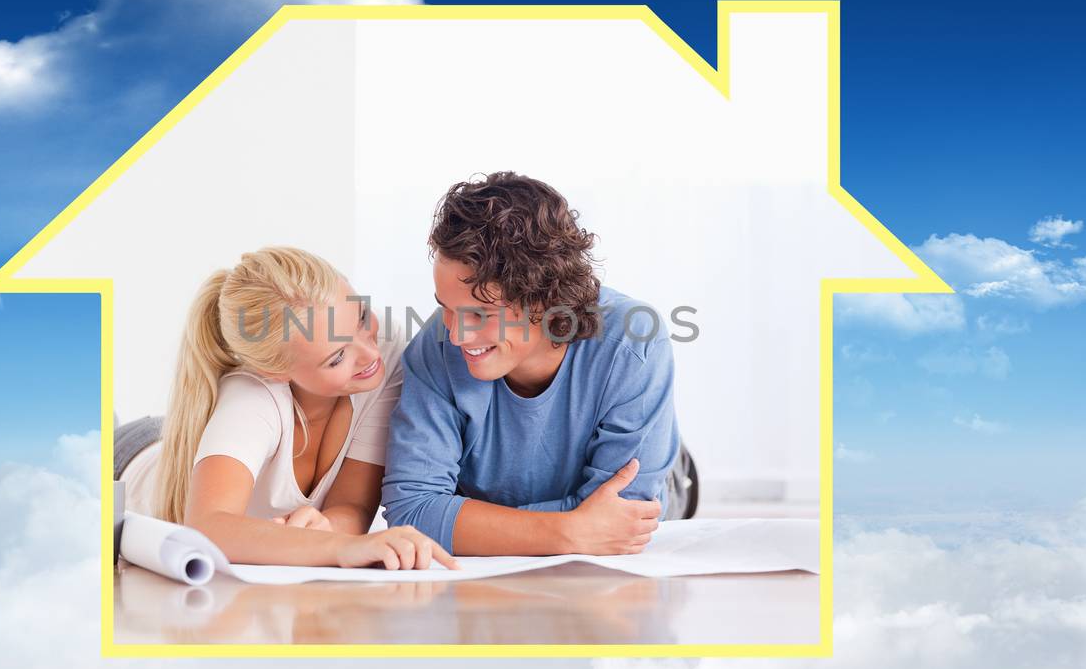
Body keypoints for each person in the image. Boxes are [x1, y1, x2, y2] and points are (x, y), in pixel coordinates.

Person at [380, 172, 694, 557]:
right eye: (446, 308)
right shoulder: (435, 346)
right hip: (511, 485)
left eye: (481, 314)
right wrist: (567, 532)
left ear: (547, 300)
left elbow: (622, 518)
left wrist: (464, 521)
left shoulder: (634, 340)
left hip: (665, 483)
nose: (457, 335)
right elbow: (412, 511)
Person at [118, 245, 458, 571]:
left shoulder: (386, 349)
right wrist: (340, 547)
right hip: (127, 459)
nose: (369, 354)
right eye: (337, 357)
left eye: (362, 317)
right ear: (275, 372)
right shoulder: (253, 395)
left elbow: (352, 506)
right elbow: (207, 528)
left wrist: (326, 528)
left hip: (187, 438)